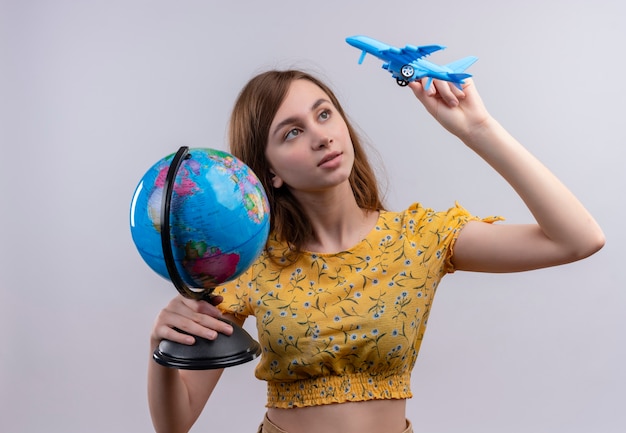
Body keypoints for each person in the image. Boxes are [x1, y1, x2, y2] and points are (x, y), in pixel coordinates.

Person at [147, 69, 605, 433]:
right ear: (269, 172)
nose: (321, 136)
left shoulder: (420, 238)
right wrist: (160, 348)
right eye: (291, 132)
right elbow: (176, 423)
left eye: (324, 114)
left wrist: (478, 128)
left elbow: (577, 239)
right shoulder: (246, 263)